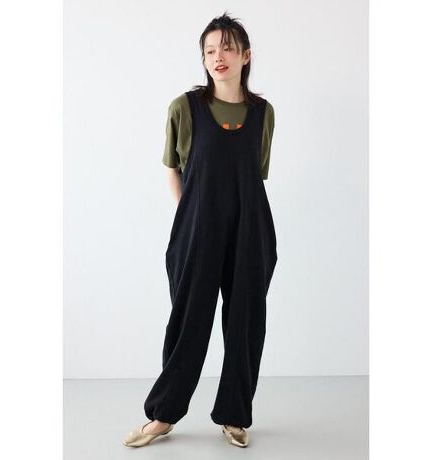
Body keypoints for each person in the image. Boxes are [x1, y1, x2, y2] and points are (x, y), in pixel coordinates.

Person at [124, 11, 277, 449]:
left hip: (250, 229)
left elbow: (257, 173)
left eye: (227, 48)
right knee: (189, 319)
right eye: (209, 50)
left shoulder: (263, 113)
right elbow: (173, 168)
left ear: (246, 55)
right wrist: (190, 214)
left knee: (246, 322)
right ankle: (164, 414)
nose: (217, 57)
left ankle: (235, 415)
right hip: (196, 229)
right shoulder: (184, 108)